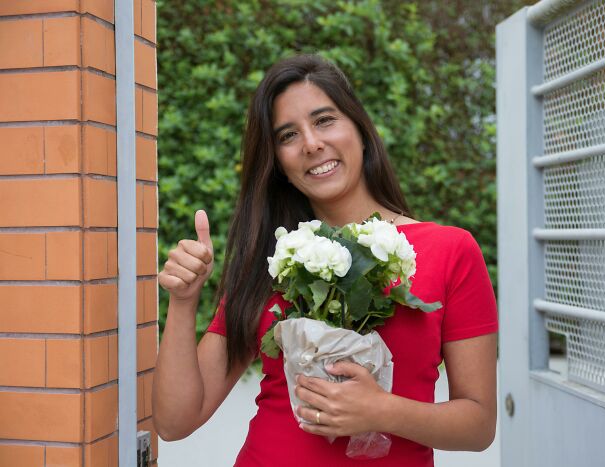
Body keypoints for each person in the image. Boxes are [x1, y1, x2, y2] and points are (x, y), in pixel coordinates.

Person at [153, 54, 498, 466]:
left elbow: (479, 425)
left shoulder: (450, 250)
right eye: (287, 135)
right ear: (278, 162)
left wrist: (380, 410)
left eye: (324, 120)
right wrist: (184, 300)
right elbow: (174, 423)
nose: (312, 144)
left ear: (361, 129)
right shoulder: (271, 261)